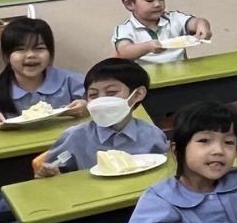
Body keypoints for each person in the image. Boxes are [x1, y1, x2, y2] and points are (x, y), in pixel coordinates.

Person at [0, 16, 85, 130]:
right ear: (7, 56)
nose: (31, 55)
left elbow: (97, 99)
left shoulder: (67, 80)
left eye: (39, 48)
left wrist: (86, 107)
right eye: (20, 49)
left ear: (50, 53)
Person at [38, 58, 168, 176]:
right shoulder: (74, 137)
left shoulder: (153, 135)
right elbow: (52, 172)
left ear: (137, 94)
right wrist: (51, 173)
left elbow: (164, 173)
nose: (101, 100)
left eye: (111, 93)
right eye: (93, 95)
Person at [112, 0, 212, 60]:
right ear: (129, 4)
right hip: (145, 74)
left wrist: (203, 25)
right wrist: (148, 47)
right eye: (150, 0)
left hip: (182, 72)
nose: (157, 4)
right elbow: (123, 53)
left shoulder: (174, 18)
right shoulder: (125, 29)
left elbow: (197, 22)